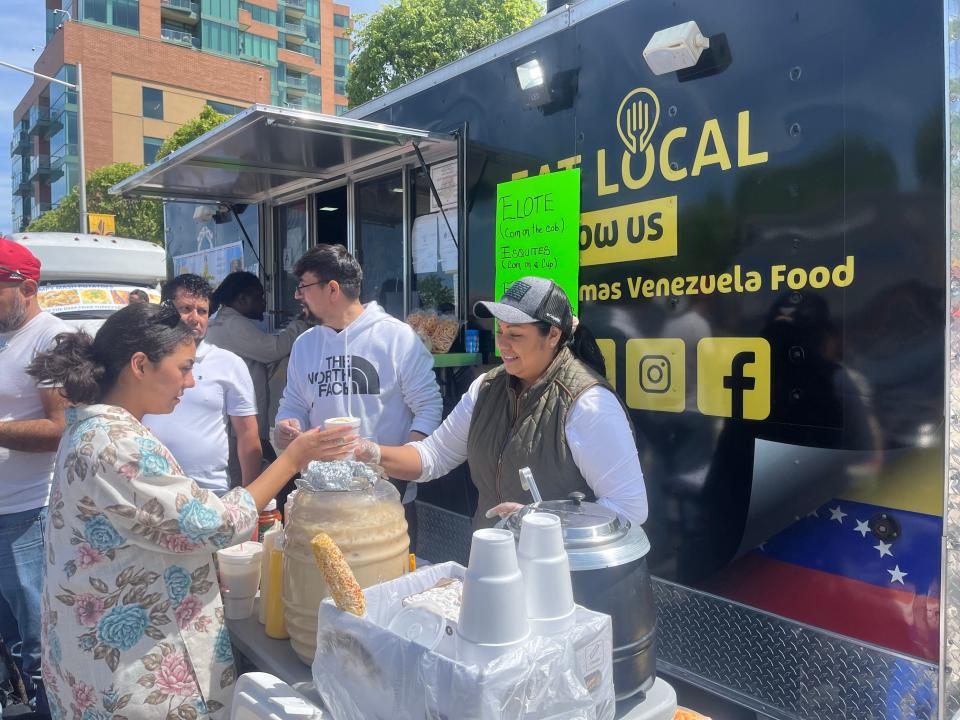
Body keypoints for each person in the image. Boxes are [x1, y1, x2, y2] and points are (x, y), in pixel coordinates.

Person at [27, 302, 357, 719]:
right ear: (140, 365)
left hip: (94, 660)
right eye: (184, 368)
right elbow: (215, 525)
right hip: (132, 679)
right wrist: (291, 459)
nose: (191, 380)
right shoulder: (117, 443)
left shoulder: (95, 427)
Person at [356, 276, 649, 529]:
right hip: (495, 564)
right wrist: (367, 452)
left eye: (516, 335)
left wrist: (539, 520)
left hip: (563, 578)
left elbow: (630, 508)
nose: (503, 345)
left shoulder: (588, 404)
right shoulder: (485, 389)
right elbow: (433, 457)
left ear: (553, 335)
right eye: (500, 331)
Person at [274, 244, 443, 517]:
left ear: (332, 289)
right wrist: (287, 424)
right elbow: (293, 404)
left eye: (303, 286)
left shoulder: (397, 337)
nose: (297, 295)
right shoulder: (305, 345)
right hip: (324, 497)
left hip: (388, 497)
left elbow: (428, 406)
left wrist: (405, 463)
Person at [0, 237, 70, 715]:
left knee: (37, 644)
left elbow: (61, 429)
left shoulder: (53, 338)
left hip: (28, 514)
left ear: (25, 286)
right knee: (11, 639)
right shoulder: (6, 339)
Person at [143, 275, 261, 494]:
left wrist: (251, 498)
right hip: (148, 489)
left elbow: (248, 436)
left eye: (203, 311)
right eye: (186, 308)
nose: (195, 318)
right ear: (165, 311)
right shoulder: (143, 362)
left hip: (210, 494)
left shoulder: (230, 364)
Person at [205, 271, 307, 467]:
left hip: (233, 423)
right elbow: (274, 349)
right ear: (242, 298)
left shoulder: (221, 320)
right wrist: (301, 322)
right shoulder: (233, 324)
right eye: (259, 297)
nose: (264, 303)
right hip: (239, 427)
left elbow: (259, 360)